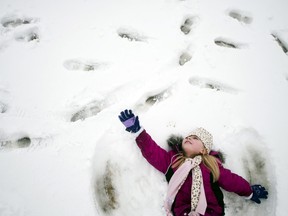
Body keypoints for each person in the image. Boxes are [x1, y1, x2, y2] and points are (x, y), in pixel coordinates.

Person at [118, 109, 268, 216]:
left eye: (196, 138)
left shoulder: (211, 166)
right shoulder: (173, 161)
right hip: (182, 211)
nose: (189, 138)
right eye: (189, 136)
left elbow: (231, 181)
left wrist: (249, 192)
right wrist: (138, 132)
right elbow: (153, 153)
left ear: (204, 150)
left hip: (211, 212)